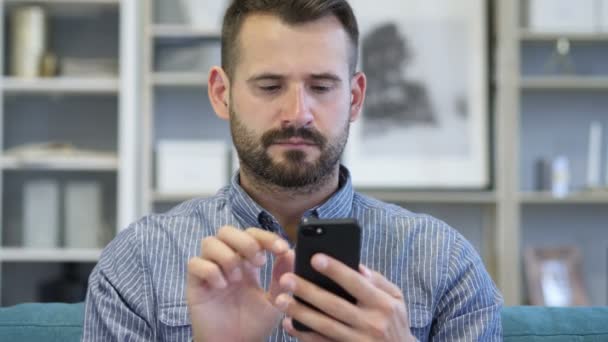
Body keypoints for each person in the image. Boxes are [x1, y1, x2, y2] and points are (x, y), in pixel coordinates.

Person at [82, 0, 503, 341]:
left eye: (321, 87)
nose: (297, 113)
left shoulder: (446, 262)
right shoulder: (137, 263)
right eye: (269, 86)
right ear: (220, 93)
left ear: (355, 98)